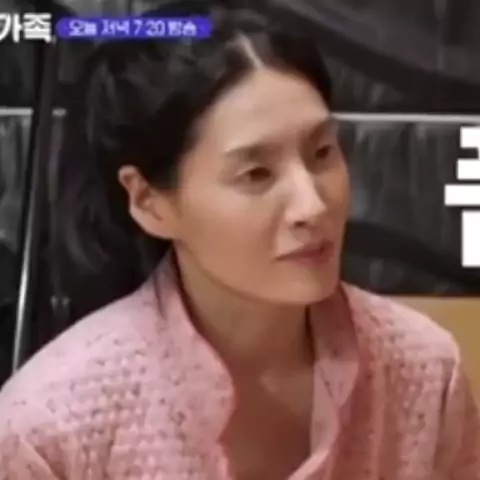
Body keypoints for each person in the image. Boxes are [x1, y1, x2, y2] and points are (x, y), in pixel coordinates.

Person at [0, 1, 479, 479]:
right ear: (149, 201)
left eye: (321, 152)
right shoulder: (51, 426)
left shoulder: (423, 370)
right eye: (256, 174)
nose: (312, 205)